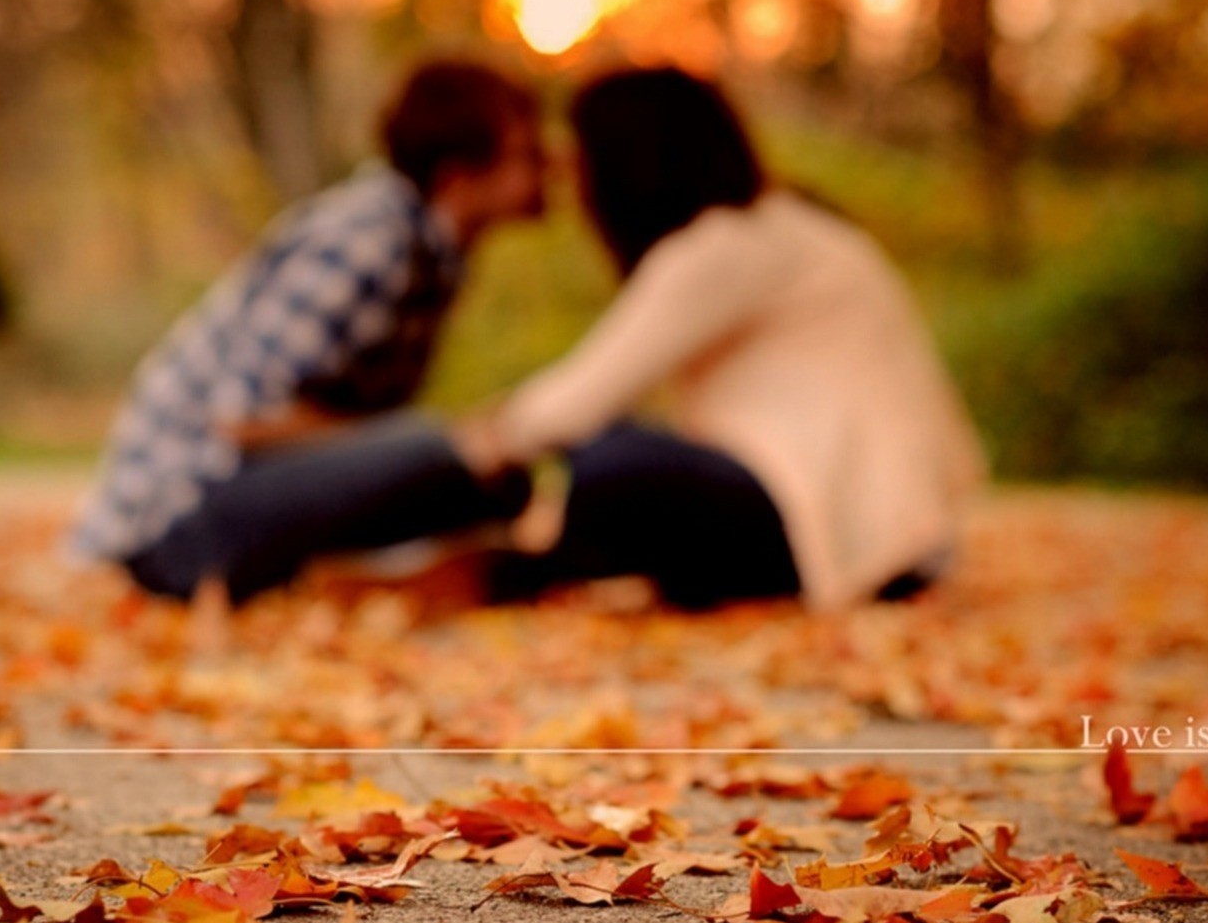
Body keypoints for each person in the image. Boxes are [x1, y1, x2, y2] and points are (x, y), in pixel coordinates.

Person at [457, 66, 987, 611]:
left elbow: (575, 405)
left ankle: (523, 565)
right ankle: (563, 559)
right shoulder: (777, 226)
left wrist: (473, 446)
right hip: (890, 531)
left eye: (582, 166)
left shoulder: (724, 243)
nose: (578, 193)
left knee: (610, 466)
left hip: (842, 532)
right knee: (614, 460)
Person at [69, 59, 546, 604]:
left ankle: (367, 580)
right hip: (179, 524)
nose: (547, 172)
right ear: (457, 175)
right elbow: (242, 420)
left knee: (500, 477)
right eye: (527, 156)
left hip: (237, 501)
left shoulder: (438, 255)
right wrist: (426, 438)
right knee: (449, 452)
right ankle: (369, 578)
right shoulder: (370, 240)